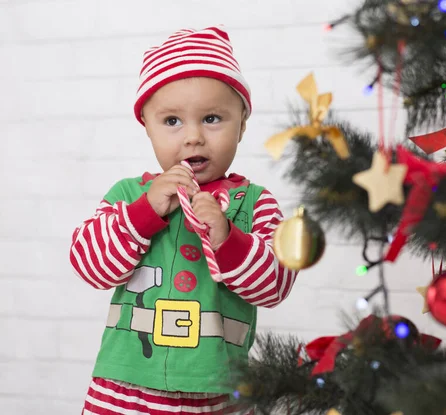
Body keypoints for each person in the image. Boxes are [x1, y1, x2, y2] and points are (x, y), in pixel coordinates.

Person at [70, 26, 298, 414]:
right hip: (125, 389)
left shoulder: (254, 203)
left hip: (219, 393)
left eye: (212, 118)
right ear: (147, 127)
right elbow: (90, 266)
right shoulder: (129, 195)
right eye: (172, 121)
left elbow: (275, 284)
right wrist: (144, 213)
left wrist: (227, 236)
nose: (193, 137)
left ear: (242, 124)